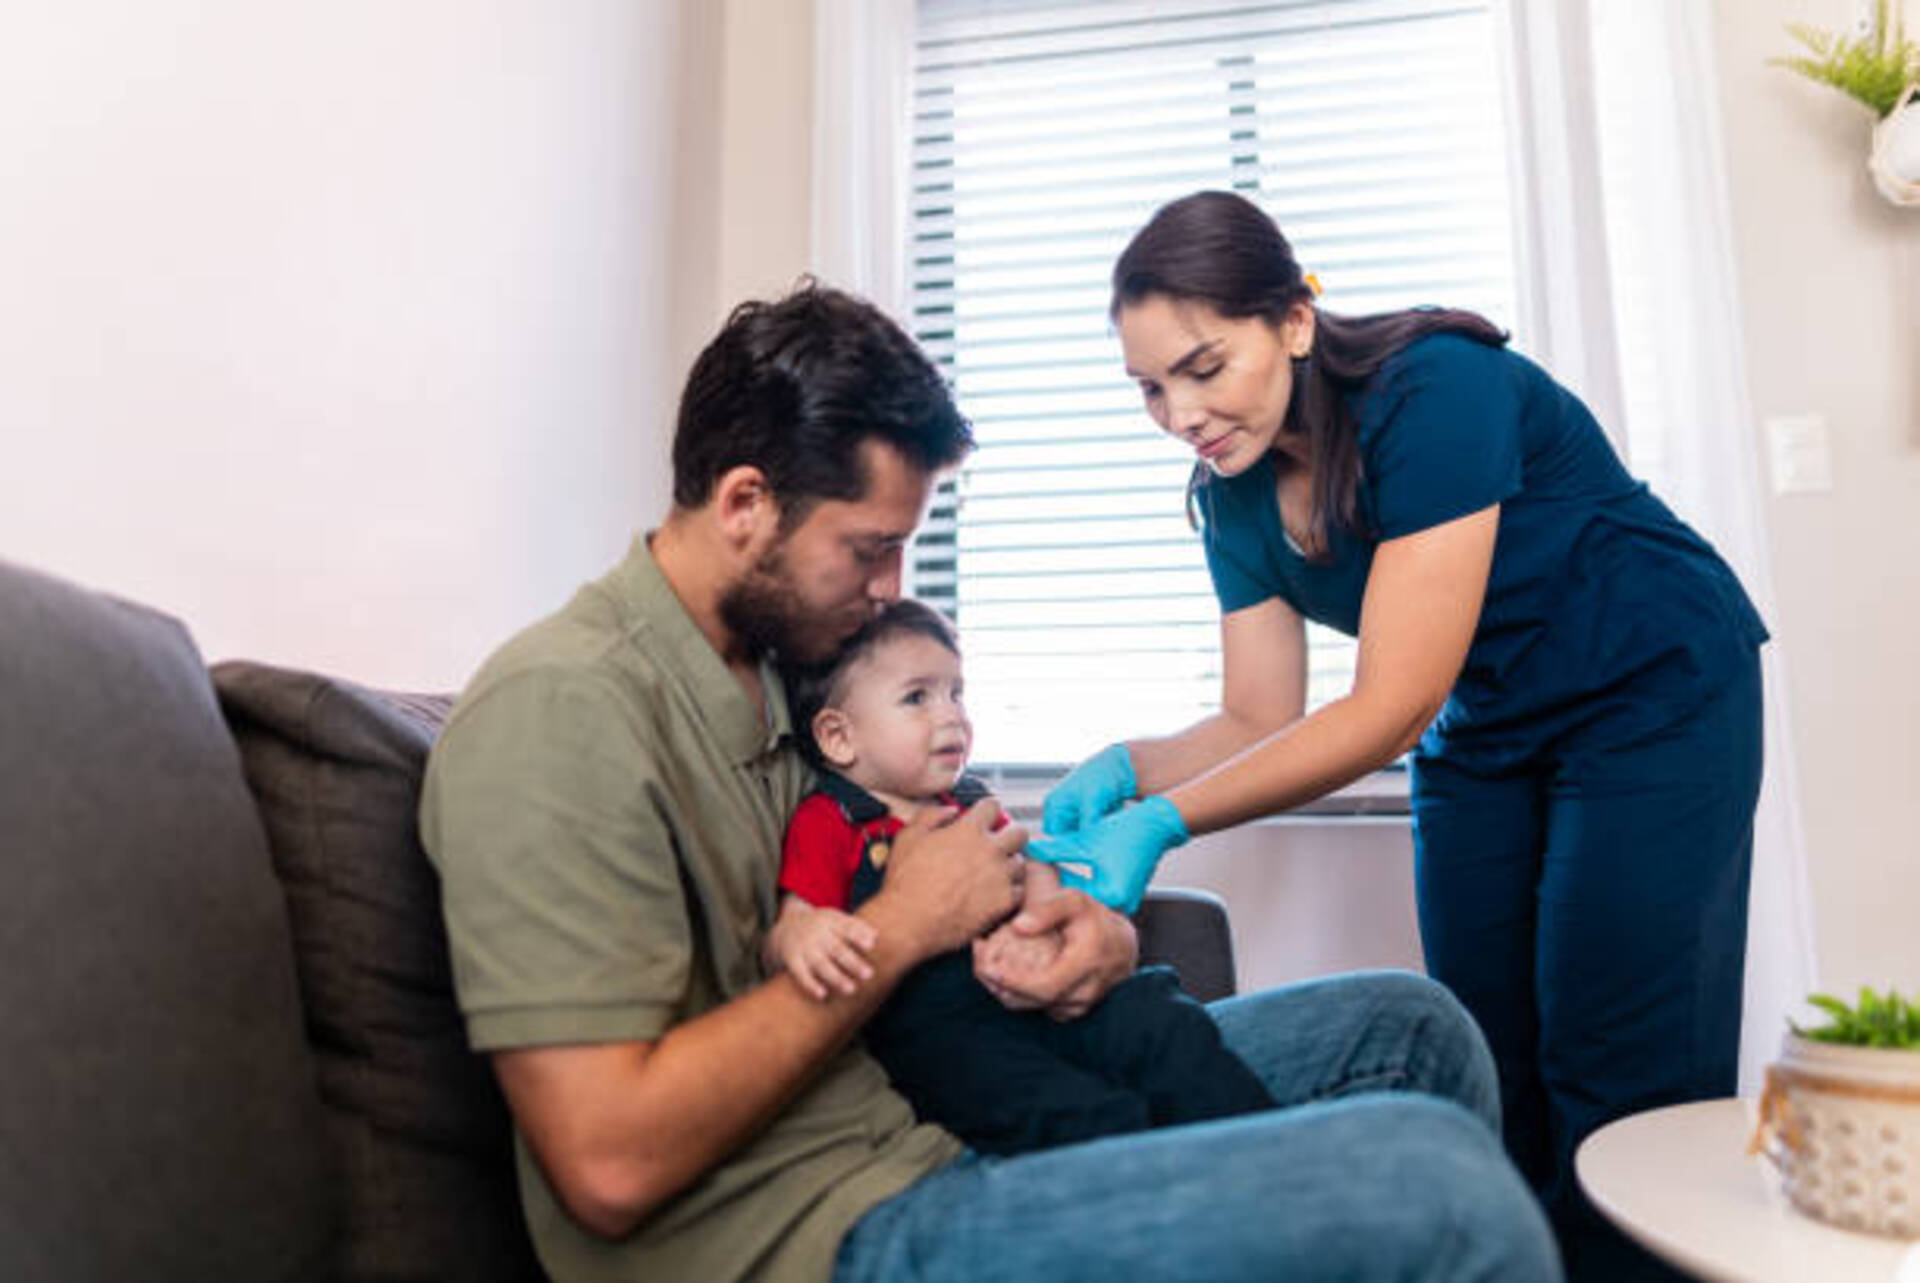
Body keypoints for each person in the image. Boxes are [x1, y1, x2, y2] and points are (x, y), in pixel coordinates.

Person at [420, 280, 1561, 1282]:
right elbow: (609, 1160)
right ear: (743, 504)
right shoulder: (561, 711)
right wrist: (911, 924)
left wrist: (1084, 932)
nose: (888, 588)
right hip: (823, 1224)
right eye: (869, 548)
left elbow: (934, 884)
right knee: (1434, 1187)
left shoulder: (792, 670)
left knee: (1412, 1030)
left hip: (940, 1110)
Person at [1027, 190, 1767, 1282]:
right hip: (1488, 719)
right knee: (1484, 1060)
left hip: (1649, 687)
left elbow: (1390, 706)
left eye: (1202, 365)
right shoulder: (1229, 496)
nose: (1181, 412)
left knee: (1616, 1060)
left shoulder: (1434, 388)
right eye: (1149, 387)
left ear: (1291, 320)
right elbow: (1257, 714)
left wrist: (1165, 818)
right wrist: (1129, 765)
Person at [768, 597, 1275, 1155]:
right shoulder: (831, 821)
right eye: (917, 697)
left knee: (1162, 1018)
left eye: (956, 693)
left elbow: (1035, 870)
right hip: (948, 1036)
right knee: (1064, 1110)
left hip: (1037, 993)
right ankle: (1154, 1170)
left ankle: (1268, 1157)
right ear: (839, 737)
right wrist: (800, 936)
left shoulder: (972, 802)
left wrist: (1038, 928)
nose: (951, 716)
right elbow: (797, 920)